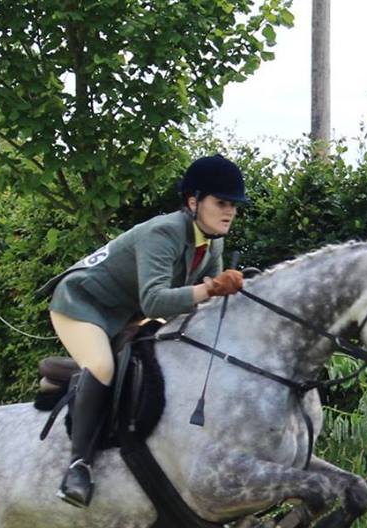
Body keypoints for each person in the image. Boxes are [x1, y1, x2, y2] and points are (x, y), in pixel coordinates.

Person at [40, 154, 247, 508]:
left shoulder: (213, 242)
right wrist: (210, 288)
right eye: (221, 203)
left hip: (125, 311)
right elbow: (154, 301)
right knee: (102, 366)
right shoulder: (163, 232)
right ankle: (78, 468)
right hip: (82, 303)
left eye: (233, 205)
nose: (229, 212)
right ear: (193, 202)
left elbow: (204, 306)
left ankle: (71, 378)